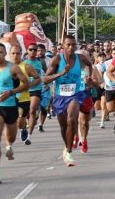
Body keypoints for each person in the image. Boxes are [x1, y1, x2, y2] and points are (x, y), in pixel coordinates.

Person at [44, 35, 94, 167]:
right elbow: (45, 79)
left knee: (72, 119)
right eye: (68, 45)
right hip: (60, 96)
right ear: (63, 46)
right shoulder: (56, 59)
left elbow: (90, 64)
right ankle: (66, 147)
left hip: (75, 94)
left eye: (73, 45)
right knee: (63, 126)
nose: (71, 47)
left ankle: (69, 151)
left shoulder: (80, 58)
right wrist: (61, 73)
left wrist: (89, 77)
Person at [0, 43, 29, 184]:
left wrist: (11, 92)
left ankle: (9, 145)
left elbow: (26, 84)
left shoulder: (13, 68)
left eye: (0, 52)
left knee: (11, 138)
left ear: (5, 54)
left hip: (10, 107)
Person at [9, 45, 41, 142]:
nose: (15, 56)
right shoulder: (5, 67)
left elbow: (38, 79)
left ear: (21, 54)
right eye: (13, 53)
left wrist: (29, 85)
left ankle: (23, 129)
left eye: (18, 53)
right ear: (9, 54)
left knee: (20, 123)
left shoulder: (27, 67)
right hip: (9, 98)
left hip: (23, 98)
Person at [24, 43, 47, 145]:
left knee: (33, 110)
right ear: (27, 51)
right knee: (24, 112)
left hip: (36, 88)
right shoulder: (23, 63)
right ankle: (24, 126)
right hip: (24, 89)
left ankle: (29, 135)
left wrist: (46, 82)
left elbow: (47, 73)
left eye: (35, 50)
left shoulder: (41, 62)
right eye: (31, 49)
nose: (33, 52)